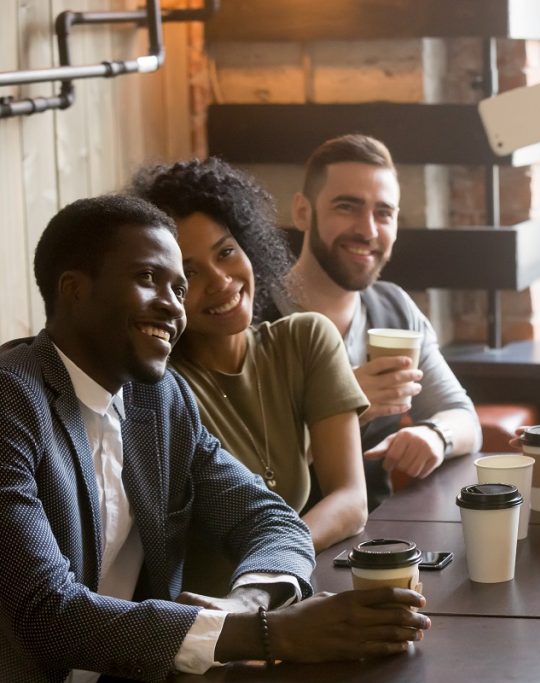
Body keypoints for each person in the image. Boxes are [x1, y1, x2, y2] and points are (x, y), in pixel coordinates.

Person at [0, 195, 428, 682]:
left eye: (178, 289)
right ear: (74, 290)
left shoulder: (159, 399)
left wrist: (247, 604)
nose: (171, 305)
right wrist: (270, 634)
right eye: (147, 279)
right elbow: (44, 613)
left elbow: (271, 519)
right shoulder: (11, 401)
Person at [132, 158, 369, 595]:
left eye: (225, 252)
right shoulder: (159, 390)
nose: (221, 282)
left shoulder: (305, 339)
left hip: (284, 591)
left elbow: (351, 501)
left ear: (249, 247)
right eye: (190, 273)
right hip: (207, 625)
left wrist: (275, 565)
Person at [266, 134, 482, 509]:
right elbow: (244, 468)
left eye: (384, 213)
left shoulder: (395, 309)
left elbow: (464, 419)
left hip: (378, 540)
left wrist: (434, 436)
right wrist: (343, 406)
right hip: (276, 545)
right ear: (302, 212)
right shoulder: (252, 317)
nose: (367, 231)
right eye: (346, 207)